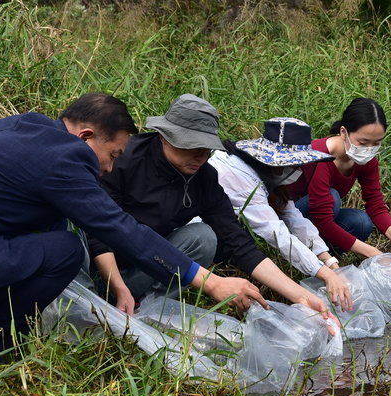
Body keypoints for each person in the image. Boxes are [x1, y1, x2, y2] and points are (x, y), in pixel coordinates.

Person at [0, 93, 268, 357]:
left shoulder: (28, 129)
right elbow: (120, 228)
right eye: (112, 155)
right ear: (85, 136)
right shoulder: (63, 158)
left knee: (57, 231)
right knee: (64, 250)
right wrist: (213, 283)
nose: (108, 168)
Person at [87, 94, 335, 323]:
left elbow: (238, 242)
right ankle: (115, 295)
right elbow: (99, 231)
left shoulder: (204, 177)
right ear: (164, 136)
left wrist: (301, 295)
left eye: (206, 150)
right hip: (104, 263)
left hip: (149, 260)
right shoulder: (124, 161)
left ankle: (149, 307)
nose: (200, 157)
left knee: (203, 237)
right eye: (191, 147)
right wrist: (117, 286)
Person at [209, 117, 354, 311]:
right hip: (208, 236)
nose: (297, 170)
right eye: (294, 165)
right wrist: (325, 274)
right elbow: (277, 234)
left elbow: (294, 218)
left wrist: (331, 263)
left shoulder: (266, 173)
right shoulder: (237, 175)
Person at [289, 98, 391, 263]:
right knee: (332, 196)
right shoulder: (319, 156)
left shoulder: (367, 159)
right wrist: (373, 253)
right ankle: (304, 253)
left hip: (319, 217)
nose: (369, 149)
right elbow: (322, 220)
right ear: (343, 133)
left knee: (361, 222)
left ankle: (325, 256)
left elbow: (375, 204)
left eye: (376, 143)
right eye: (363, 142)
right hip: (290, 217)